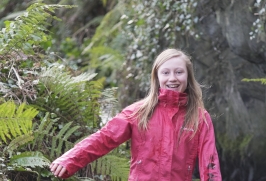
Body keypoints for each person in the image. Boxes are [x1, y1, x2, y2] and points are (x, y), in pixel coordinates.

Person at [50, 48, 222, 180]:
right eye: (166, 72)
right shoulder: (138, 112)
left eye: (179, 72)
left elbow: (210, 162)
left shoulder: (199, 118)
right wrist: (70, 159)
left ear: (188, 77)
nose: (172, 78)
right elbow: (104, 139)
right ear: (156, 77)